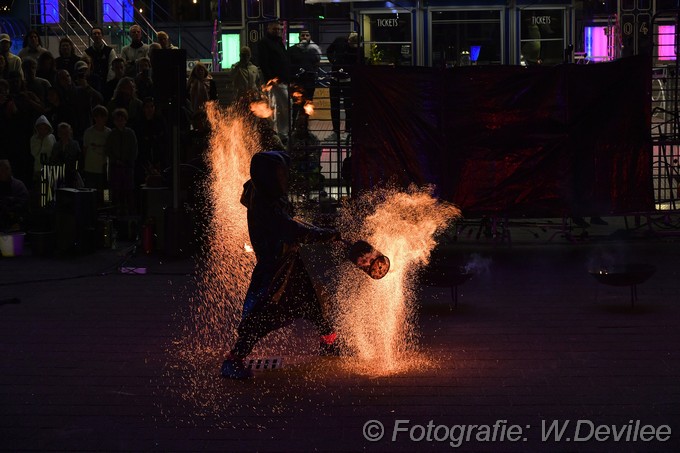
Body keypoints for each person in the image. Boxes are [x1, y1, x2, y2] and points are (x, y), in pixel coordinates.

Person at [220, 150, 341, 379]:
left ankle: (330, 341)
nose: (285, 179)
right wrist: (330, 235)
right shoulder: (266, 206)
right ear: (268, 177)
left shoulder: (261, 191)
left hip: (288, 263)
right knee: (261, 314)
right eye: (280, 175)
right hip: (273, 269)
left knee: (312, 302)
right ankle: (233, 360)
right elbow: (293, 230)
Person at [256, 21, 290, 141]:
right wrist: (271, 78)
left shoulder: (277, 42)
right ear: (268, 29)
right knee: (282, 105)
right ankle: (280, 131)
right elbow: (264, 62)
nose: (277, 31)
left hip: (280, 80)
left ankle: (278, 131)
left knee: (279, 106)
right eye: (275, 29)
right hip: (275, 81)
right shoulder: (266, 43)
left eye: (279, 29)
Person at [326, 32, 359, 143]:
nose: (350, 44)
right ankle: (336, 132)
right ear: (348, 38)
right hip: (336, 78)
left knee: (348, 106)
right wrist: (333, 61)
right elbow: (329, 50)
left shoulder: (357, 49)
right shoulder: (340, 40)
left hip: (347, 80)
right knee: (334, 106)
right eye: (350, 41)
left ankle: (347, 131)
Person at [105, 108, 138, 215]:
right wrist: (116, 160)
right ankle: (115, 211)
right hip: (115, 168)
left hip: (128, 167)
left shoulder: (130, 133)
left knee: (128, 191)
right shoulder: (111, 134)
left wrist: (127, 160)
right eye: (117, 119)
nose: (120, 122)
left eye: (122, 119)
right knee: (115, 191)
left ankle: (129, 212)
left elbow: (134, 149)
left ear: (125, 120)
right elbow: (108, 150)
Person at [288, 30, 320, 125]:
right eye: (303, 35)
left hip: (309, 82)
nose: (305, 37)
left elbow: (316, 63)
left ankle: (304, 126)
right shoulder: (292, 50)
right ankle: (294, 126)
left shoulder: (313, 50)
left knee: (307, 104)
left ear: (310, 37)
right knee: (296, 105)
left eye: (307, 35)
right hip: (297, 82)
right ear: (299, 37)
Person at [82, 105, 110, 200]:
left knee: (106, 190)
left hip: (104, 168)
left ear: (105, 118)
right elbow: (85, 150)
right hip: (90, 167)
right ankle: (91, 208)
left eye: (102, 116)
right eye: (96, 116)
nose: (99, 119)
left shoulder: (109, 132)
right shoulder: (88, 132)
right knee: (90, 191)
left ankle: (107, 206)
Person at [0, 159, 30, 232]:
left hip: (17, 223)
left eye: (7, 169)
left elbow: (24, 203)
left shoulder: (18, 185)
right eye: (1, 169)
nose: (5, 172)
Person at [50, 122, 82, 188]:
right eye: (62, 132)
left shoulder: (75, 144)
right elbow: (53, 160)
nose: (64, 134)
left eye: (66, 132)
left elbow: (78, 160)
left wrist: (75, 172)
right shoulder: (56, 145)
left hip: (72, 174)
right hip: (59, 174)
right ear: (59, 134)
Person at [29, 115, 56, 186]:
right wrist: (40, 141)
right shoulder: (34, 139)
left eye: (45, 128)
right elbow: (34, 153)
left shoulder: (52, 137)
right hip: (39, 168)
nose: (43, 131)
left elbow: (54, 151)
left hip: (51, 169)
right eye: (40, 128)